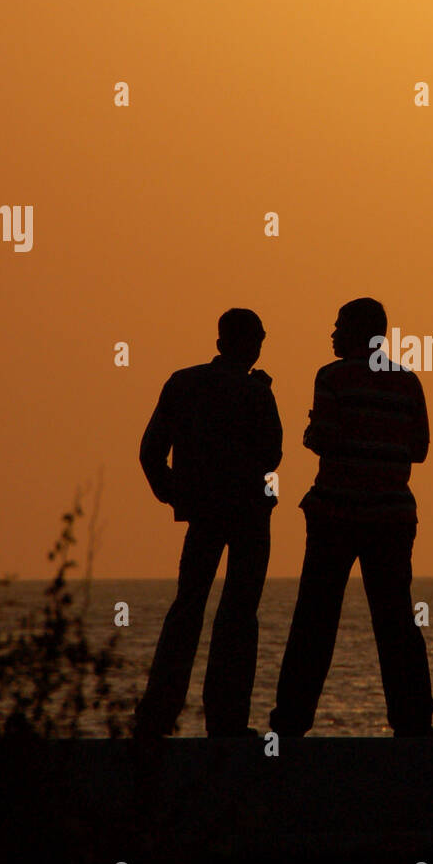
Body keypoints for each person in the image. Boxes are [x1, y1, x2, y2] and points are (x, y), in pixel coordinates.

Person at [269, 297, 433, 736]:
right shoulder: (407, 381)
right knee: (396, 621)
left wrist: (314, 432)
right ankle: (413, 722)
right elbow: (419, 449)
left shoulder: (332, 377)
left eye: (339, 325)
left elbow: (321, 438)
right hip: (391, 515)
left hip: (335, 511)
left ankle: (290, 722)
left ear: (357, 332)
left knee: (315, 619)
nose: (332, 333)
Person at [134, 308, 282, 739]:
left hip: (203, 514)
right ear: (251, 344)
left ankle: (157, 717)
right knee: (238, 614)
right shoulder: (256, 393)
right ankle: (226, 720)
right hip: (249, 515)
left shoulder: (184, 383)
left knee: (187, 609)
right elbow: (272, 455)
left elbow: (149, 452)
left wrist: (174, 493)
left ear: (220, 344)